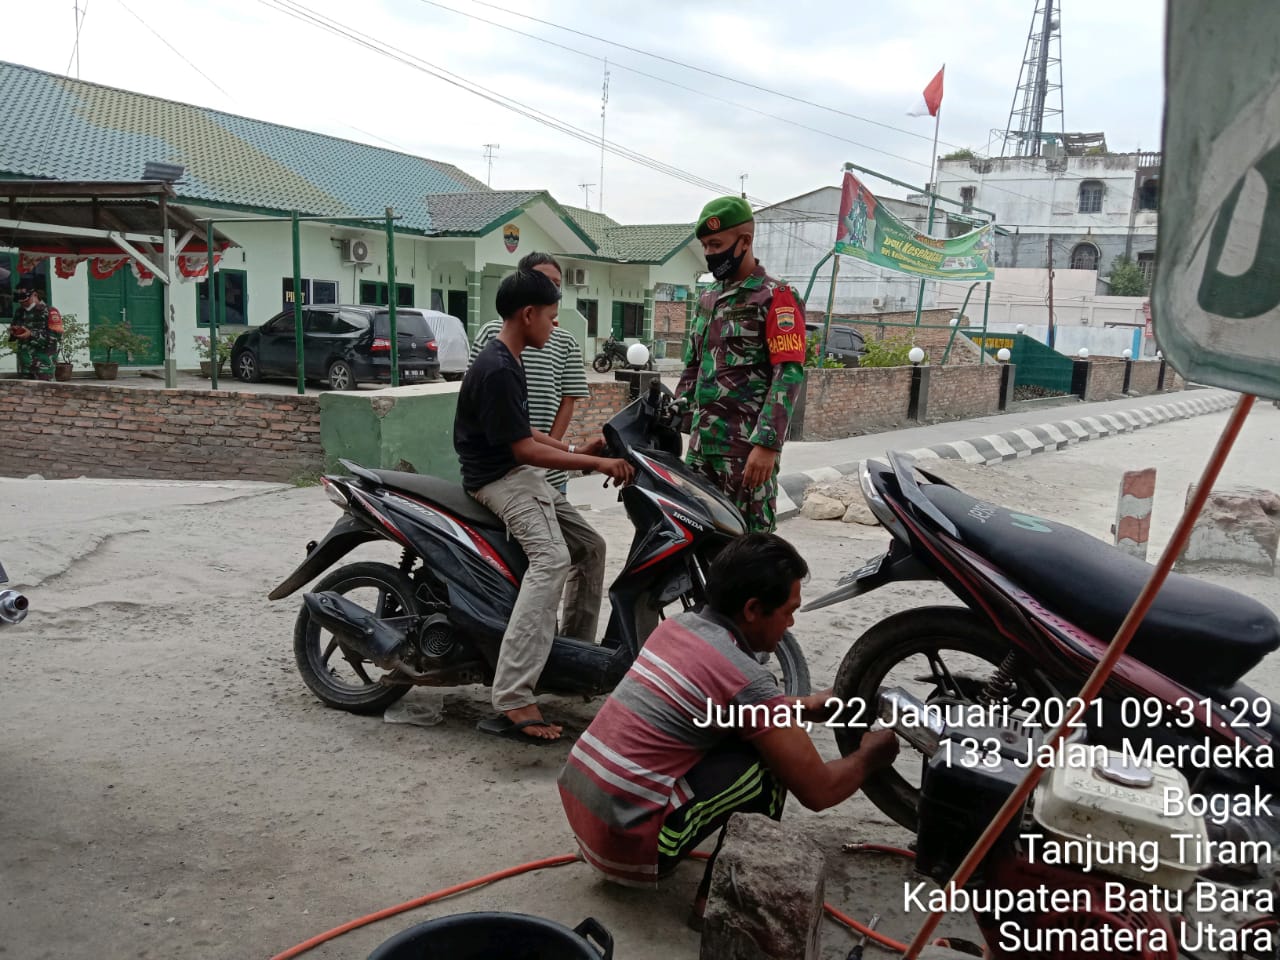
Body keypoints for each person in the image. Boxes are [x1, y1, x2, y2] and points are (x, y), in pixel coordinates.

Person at [557, 533, 899, 926]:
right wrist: (872, 755)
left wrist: (801, 707)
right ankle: (718, 902)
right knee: (769, 765)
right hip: (628, 845)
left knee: (753, 736)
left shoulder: (678, 628)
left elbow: (721, 708)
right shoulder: (746, 678)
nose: (789, 623)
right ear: (753, 609)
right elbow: (818, 791)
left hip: (584, 808)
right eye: (789, 612)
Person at [454, 267, 635, 745]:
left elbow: (526, 433)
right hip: (498, 481)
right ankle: (513, 693)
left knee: (590, 546)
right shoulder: (496, 367)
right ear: (528, 314)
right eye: (552, 319)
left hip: (520, 472)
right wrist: (595, 468)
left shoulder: (508, 358)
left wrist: (578, 453)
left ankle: (570, 659)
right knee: (552, 558)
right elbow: (522, 452)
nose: (555, 327)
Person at [675, 197, 807, 534]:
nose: (709, 253)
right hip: (702, 450)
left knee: (750, 550)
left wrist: (767, 444)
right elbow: (693, 367)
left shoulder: (776, 297)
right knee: (699, 543)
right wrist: (677, 419)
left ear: (745, 241)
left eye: (716, 244)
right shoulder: (707, 299)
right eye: (705, 245)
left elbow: (788, 372)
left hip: (746, 454)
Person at [468, 252, 590, 495]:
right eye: (544, 281)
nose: (552, 290)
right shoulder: (494, 341)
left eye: (557, 285)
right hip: (505, 474)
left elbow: (568, 400)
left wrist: (551, 454)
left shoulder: (566, 342)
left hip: (548, 470)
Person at [8, 278, 59, 381]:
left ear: (35, 295)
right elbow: (15, 335)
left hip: (43, 367)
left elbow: (54, 338)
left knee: (45, 395)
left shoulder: (50, 312)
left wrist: (30, 334)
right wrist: (14, 332)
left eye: (24, 298)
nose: (21, 302)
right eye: (19, 298)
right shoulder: (19, 312)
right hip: (24, 366)